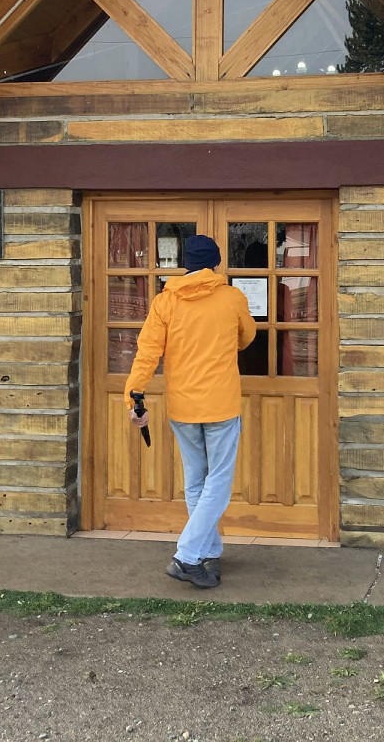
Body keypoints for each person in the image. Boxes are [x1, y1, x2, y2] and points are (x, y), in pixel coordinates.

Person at [124, 234, 256, 589]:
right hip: (221, 404)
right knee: (219, 484)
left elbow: (148, 353)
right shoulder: (231, 298)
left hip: (182, 406)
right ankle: (186, 555)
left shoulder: (166, 302)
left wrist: (133, 396)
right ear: (216, 263)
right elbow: (247, 338)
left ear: (185, 263)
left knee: (197, 480)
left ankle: (206, 552)